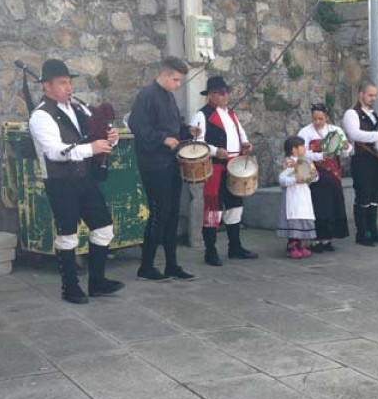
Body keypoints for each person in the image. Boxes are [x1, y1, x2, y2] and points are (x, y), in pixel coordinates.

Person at [29, 59, 124, 303]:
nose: (68, 88)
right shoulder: (41, 116)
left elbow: (96, 137)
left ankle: (97, 282)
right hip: (60, 182)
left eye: (69, 83)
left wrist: (110, 138)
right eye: (62, 83)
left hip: (85, 179)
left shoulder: (80, 110)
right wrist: (91, 149)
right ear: (46, 86)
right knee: (68, 235)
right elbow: (54, 152)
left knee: (103, 228)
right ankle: (69, 287)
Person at [129, 56, 200, 280]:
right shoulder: (146, 96)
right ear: (166, 75)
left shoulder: (168, 97)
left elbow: (174, 126)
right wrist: (163, 139)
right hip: (153, 164)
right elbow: (138, 127)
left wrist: (188, 131)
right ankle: (146, 266)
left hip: (171, 163)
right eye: (176, 80)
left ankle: (172, 264)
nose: (178, 85)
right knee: (159, 214)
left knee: (171, 214)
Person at [190, 76, 258, 266]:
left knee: (235, 207)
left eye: (226, 92)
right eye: (221, 93)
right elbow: (197, 142)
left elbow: (240, 134)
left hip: (234, 167)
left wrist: (246, 144)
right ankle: (210, 251)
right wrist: (214, 150)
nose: (225, 95)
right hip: (215, 168)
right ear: (211, 95)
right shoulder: (202, 115)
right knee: (214, 210)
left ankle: (234, 247)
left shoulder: (232, 114)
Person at [341, 81, 378, 246]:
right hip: (362, 160)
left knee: (375, 196)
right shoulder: (351, 113)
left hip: (377, 159)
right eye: (370, 95)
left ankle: (373, 229)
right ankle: (362, 233)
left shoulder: (373, 114)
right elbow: (354, 134)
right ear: (360, 94)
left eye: (375, 95)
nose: (373, 98)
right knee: (363, 196)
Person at [297, 103, 352, 252]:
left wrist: (347, 147)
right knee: (319, 205)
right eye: (314, 118)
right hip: (316, 172)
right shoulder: (305, 132)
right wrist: (320, 155)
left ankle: (328, 239)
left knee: (332, 205)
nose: (317, 122)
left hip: (333, 172)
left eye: (321, 118)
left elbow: (345, 150)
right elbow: (302, 153)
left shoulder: (336, 130)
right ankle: (316, 240)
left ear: (327, 117)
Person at [276, 136, 319, 258]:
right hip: (293, 195)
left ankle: (301, 243)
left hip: (304, 194)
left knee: (303, 216)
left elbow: (314, 177)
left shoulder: (306, 161)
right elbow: (282, 179)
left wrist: (313, 176)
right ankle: (292, 245)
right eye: (301, 146)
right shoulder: (289, 163)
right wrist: (295, 179)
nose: (304, 148)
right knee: (295, 217)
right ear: (294, 149)